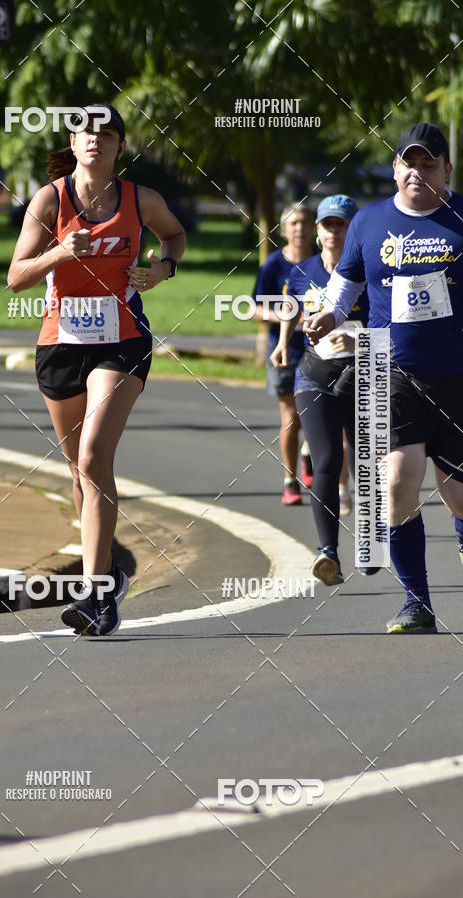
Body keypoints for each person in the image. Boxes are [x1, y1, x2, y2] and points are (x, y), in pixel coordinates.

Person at [8, 103, 186, 637]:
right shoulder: (51, 199)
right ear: (73, 139)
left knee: (93, 457)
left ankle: (92, 594)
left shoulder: (140, 199)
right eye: (86, 131)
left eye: (107, 134)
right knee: (79, 476)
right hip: (60, 344)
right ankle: (107, 584)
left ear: (119, 147)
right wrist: (60, 252)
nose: (96, 141)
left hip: (123, 339)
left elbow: (173, 237)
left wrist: (163, 268)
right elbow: (16, 276)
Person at [306, 123, 463, 633]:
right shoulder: (369, 222)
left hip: (456, 375)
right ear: (395, 168)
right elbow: (345, 283)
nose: (417, 172)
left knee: (458, 493)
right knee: (397, 482)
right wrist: (329, 315)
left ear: (447, 170)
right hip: (388, 370)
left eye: (429, 164)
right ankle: (417, 603)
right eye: (408, 163)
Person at [270, 195, 375, 586]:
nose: (334, 232)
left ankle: (369, 542)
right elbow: (289, 305)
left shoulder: (370, 273)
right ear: (317, 231)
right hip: (315, 375)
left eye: (341, 225)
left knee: (367, 462)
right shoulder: (303, 271)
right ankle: (328, 552)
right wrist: (283, 342)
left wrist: (359, 341)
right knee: (327, 459)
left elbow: (392, 325)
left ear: (354, 232)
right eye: (327, 225)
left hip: (366, 375)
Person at [252, 204, 315, 505]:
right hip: (284, 350)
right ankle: (290, 480)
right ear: (284, 229)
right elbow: (254, 308)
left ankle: (308, 452)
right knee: (291, 416)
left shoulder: (322, 262)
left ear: (313, 226)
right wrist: (289, 316)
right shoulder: (273, 265)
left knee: (315, 414)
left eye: (304, 222)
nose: (299, 228)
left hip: (320, 350)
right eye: (293, 223)